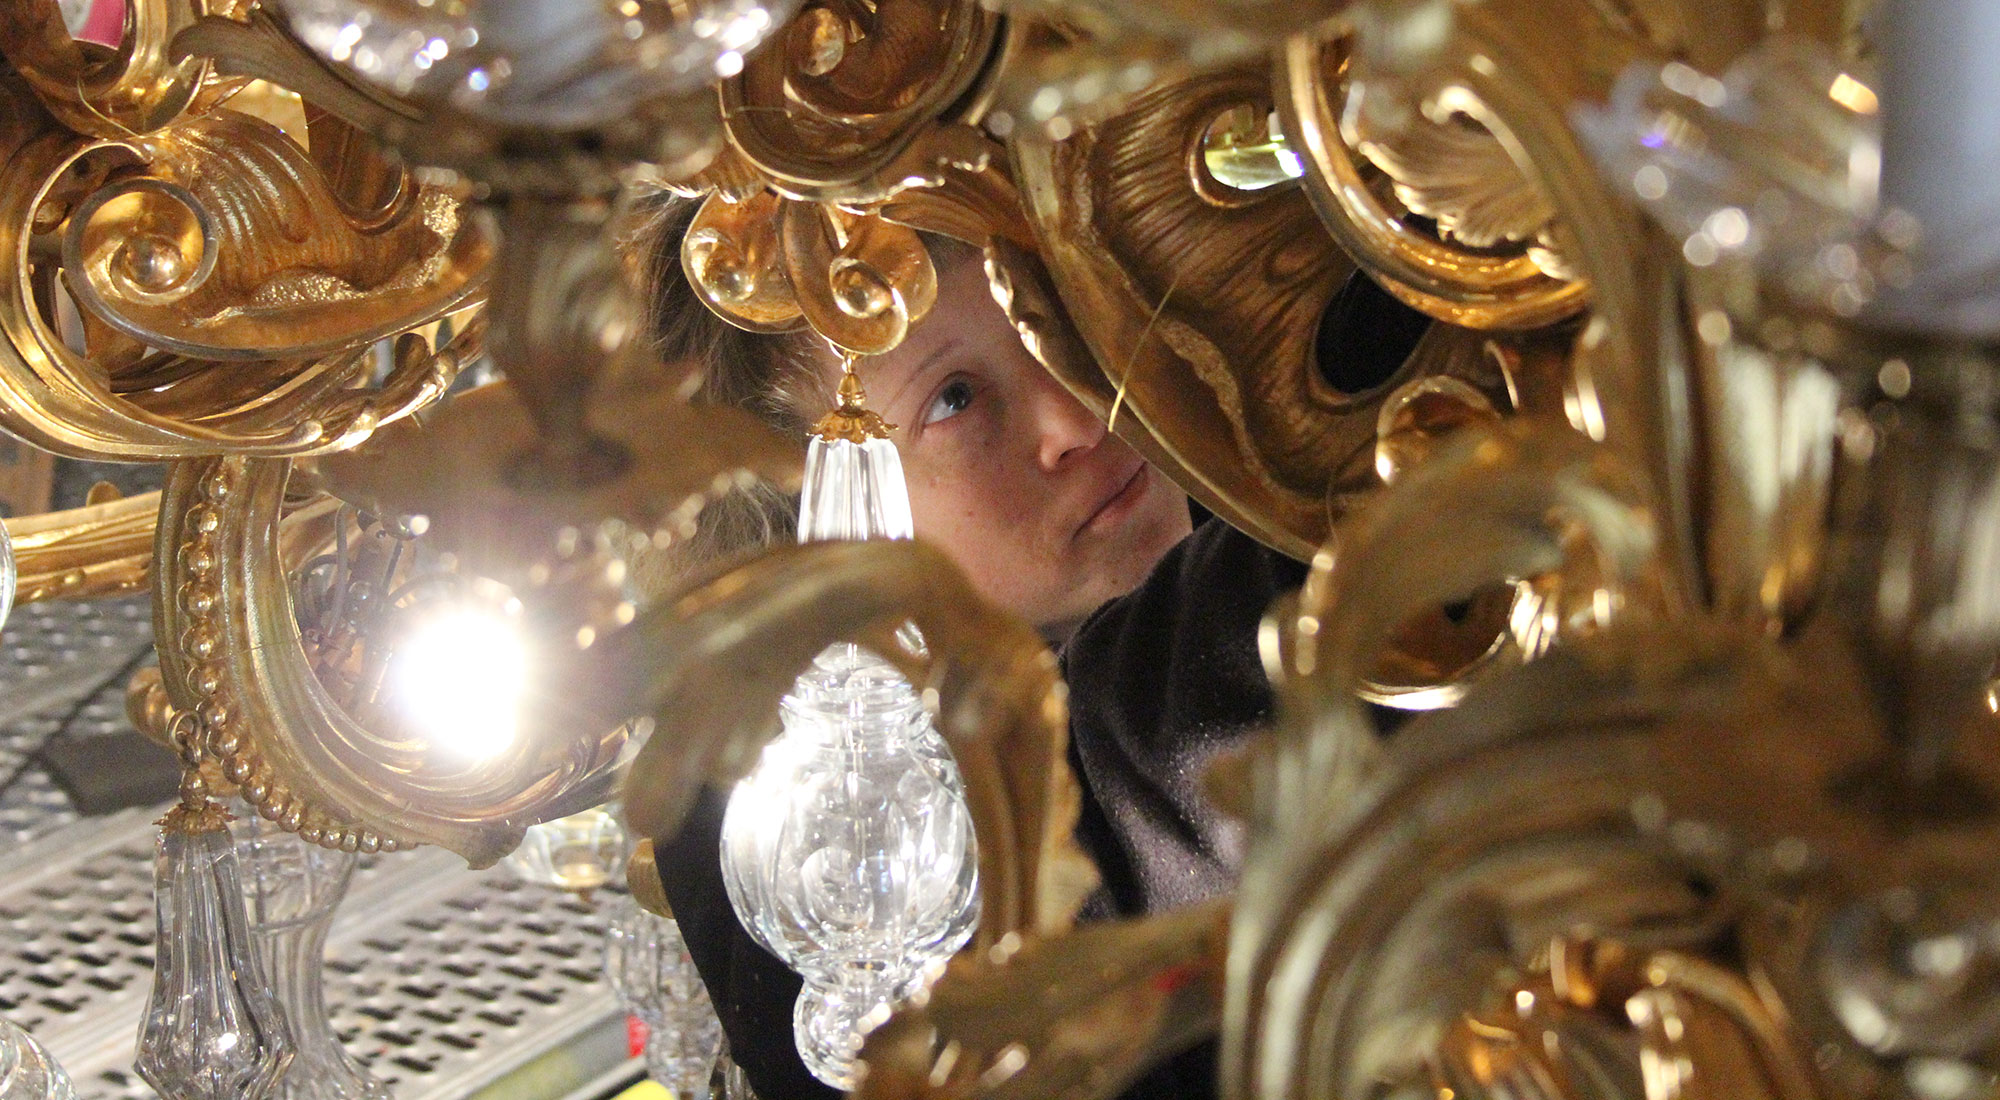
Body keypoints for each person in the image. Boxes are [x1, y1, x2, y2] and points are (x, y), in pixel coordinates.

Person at [634, 192, 1430, 1100]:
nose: (1078, 418)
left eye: (1048, 312)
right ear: (824, 535)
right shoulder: (858, 854)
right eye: (956, 397)